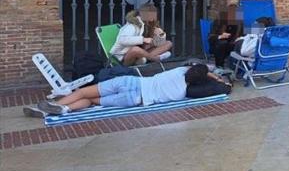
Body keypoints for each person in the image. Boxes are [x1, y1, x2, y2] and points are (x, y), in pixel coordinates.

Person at [34, 64, 231, 115]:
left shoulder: (179, 70)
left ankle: (54, 105)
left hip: (132, 82)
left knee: (84, 92)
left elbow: (198, 68)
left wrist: (211, 73)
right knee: (92, 101)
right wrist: (219, 81)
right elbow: (202, 78)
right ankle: (66, 110)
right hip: (135, 100)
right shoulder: (181, 93)